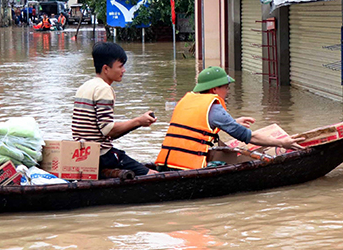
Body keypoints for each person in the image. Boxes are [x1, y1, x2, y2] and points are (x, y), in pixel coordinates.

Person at [155, 66, 304, 171]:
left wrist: (234, 122)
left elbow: (199, 127)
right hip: (189, 168)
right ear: (214, 89)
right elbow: (249, 137)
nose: (227, 91)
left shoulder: (187, 101)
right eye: (226, 87)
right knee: (223, 164)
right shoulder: (214, 108)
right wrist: (282, 142)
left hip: (166, 163)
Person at [72, 42, 158, 176]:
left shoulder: (84, 87)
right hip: (102, 155)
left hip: (83, 153)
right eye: (121, 66)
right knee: (152, 174)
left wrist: (138, 123)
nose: (124, 70)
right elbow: (108, 130)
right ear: (106, 69)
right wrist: (138, 121)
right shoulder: (104, 89)